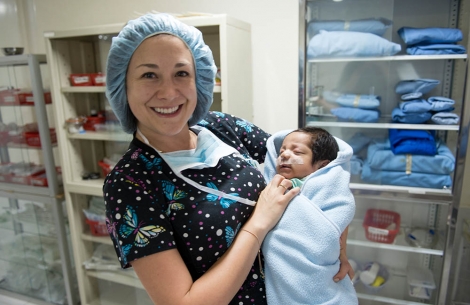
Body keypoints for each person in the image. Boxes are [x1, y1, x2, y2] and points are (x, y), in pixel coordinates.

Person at [103, 13, 352, 305]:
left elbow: (323, 165)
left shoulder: (222, 127)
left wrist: (336, 246)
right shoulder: (130, 182)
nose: (169, 92)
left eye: (181, 73)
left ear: (199, 79)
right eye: (149, 75)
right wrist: (259, 223)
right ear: (124, 86)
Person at [262, 127, 358, 305]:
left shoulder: (328, 189)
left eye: (296, 151)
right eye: (282, 151)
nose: (284, 155)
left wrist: (342, 254)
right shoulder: (273, 184)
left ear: (321, 165)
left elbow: (339, 217)